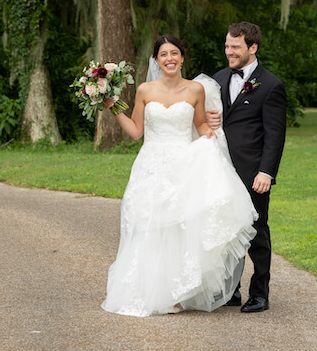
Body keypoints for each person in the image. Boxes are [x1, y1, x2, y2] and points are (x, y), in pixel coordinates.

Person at [101, 34, 258, 317]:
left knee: (177, 227)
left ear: (182, 57)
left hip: (184, 164)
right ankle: (146, 288)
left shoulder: (196, 89)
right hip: (151, 164)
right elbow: (137, 131)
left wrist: (213, 137)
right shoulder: (145, 90)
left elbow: (199, 125)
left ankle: (174, 293)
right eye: (164, 54)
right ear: (157, 60)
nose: (170, 58)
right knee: (148, 224)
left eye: (174, 53)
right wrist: (113, 106)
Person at [207, 21, 287, 313]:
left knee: (256, 231)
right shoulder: (217, 78)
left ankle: (260, 292)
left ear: (252, 48)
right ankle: (231, 290)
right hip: (220, 170)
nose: (229, 51)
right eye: (227, 46)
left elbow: (275, 135)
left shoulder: (271, 85)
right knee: (224, 230)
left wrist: (266, 172)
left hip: (253, 172)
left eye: (235, 47)